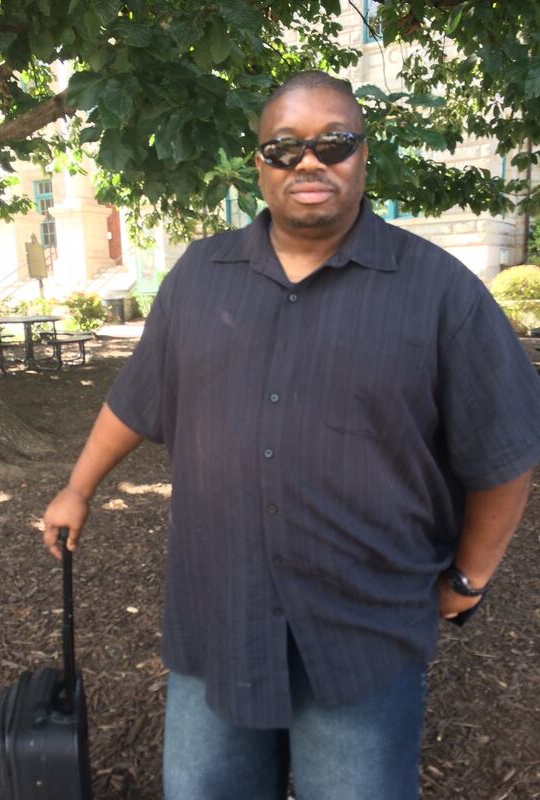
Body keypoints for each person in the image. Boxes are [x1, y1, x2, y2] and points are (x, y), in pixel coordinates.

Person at [43, 71, 540, 800]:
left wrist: (467, 580)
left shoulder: (440, 292)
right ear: (259, 166)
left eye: (333, 143)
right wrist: (77, 488)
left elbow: (502, 456)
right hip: (220, 617)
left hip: (363, 631)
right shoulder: (197, 278)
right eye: (285, 147)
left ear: (364, 155)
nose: (309, 162)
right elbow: (137, 398)